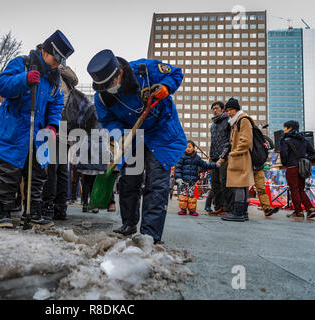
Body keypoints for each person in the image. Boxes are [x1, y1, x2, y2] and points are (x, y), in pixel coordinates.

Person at [87, 49, 187, 244]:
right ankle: (129, 223)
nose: (107, 89)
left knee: (156, 184)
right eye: (102, 86)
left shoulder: (144, 70)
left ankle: (150, 233)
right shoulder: (101, 98)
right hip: (133, 135)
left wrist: (166, 87)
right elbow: (108, 121)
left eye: (110, 84)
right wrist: (123, 136)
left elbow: (176, 73)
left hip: (161, 132)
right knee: (129, 180)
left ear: (119, 73)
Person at [0, 30, 74, 229]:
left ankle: (34, 212)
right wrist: (24, 79)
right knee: (9, 174)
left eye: (61, 60)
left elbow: (56, 102)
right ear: (45, 51)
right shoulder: (22, 63)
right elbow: (1, 85)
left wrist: (52, 125)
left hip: (39, 134)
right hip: (14, 129)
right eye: (56, 58)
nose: (57, 63)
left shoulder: (55, 78)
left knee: (37, 175)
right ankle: (4, 213)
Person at [42, 63, 79, 221]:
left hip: (55, 122)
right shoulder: (66, 76)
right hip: (66, 125)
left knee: (51, 167)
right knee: (62, 168)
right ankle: (60, 207)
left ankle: (48, 206)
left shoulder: (53, 75)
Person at [218, 98, 254, 222]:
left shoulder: (243, 120)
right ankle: (242, 212)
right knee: (242, 185)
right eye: (227, 110)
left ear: (236, 109)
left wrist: (234, 153)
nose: (228, 112)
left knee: (239, 185)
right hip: (240, 156)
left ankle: (238, 213)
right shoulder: (237, 121)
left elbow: (246, 140)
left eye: (230, 110)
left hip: (240, 156)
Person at [280, 120, 315, 219]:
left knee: (294, 190)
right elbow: (313, 154)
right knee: (301, 189)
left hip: (291, 168)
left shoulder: (285, 140)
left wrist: (285, 163)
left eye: (285, 127)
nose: (284, 129)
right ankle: (310, 209)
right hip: (302, 168)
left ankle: (298, 211)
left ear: (290, 128)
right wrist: (305, 159)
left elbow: (284, 155)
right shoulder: (304, 140)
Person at [175, 140, 216, 216]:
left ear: (194, 148)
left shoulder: (197, 158)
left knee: (191, 195)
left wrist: (215, 165)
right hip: (183, 180)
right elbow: (178, 167)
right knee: (183, 195)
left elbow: (205, 165)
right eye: (186, 147)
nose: (188, 149)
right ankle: (183, 209)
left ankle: (192, 210)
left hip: (192, 181)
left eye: (190, 147)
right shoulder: (182, 156)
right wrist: (178, 177)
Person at [209, 101, 232, 216]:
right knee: (215, 184)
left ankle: (227, 208)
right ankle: (218, 206)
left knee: (224, 183)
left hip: (224, 157)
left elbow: (229, 140)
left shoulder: (228, 121)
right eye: (213, 109)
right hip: (213, 158)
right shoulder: (212, 125)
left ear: (223, 109)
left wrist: (224, 155)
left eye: (217, 108)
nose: (214, 110)